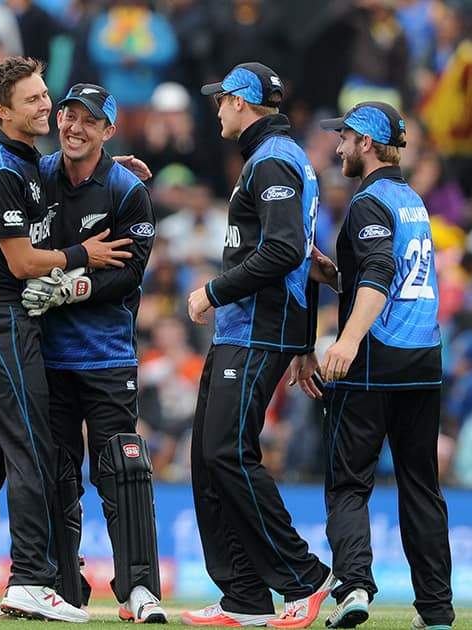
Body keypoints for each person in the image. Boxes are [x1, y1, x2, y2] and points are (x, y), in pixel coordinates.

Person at [0, 56, 132, 623]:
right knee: (33, 447)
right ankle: (31, 581)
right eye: (35, 100)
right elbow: (20, 262)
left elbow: (54, 179)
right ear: (2, 111)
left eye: (46, 95)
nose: (48, 107)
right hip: (0, 318)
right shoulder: (0, 172)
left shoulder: (22, 162)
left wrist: (105, 167)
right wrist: (82, 255)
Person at [184, 62, 335, 628]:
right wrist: (303, 340)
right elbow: (309, 260)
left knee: (226, 451)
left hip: (253, 330)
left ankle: (305, 577)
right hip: (250, 331)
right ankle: (244, 595)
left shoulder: (273, 160)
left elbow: (285, 251)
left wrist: (212, 292)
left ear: (243, 102)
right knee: (208, 455)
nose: (217, 108)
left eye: (222, 100)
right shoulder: (275, 158)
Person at [299, 101, 454, 630]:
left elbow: (383, 272)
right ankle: (435, 611)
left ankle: (355, 586)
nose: (338, 147)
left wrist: (345, 340)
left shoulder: (368, 203)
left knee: (348, 485)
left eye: (343, 138)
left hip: (371, 365)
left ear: (366, 143)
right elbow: (388, 275)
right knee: (421, 488)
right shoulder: (411, 199)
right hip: (423, 363)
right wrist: (337, 275)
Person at [18, 83, 164, 623]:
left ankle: (139, 589)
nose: (74, 127)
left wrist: (72, 287)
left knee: (121, 469)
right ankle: (63, 586)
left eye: (89, 121)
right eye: (68, 116)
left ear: (108, 131)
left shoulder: (128, 191)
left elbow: (129, 274)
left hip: (106, 358)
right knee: (57, 473)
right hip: (48, 358)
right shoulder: (38, 176)